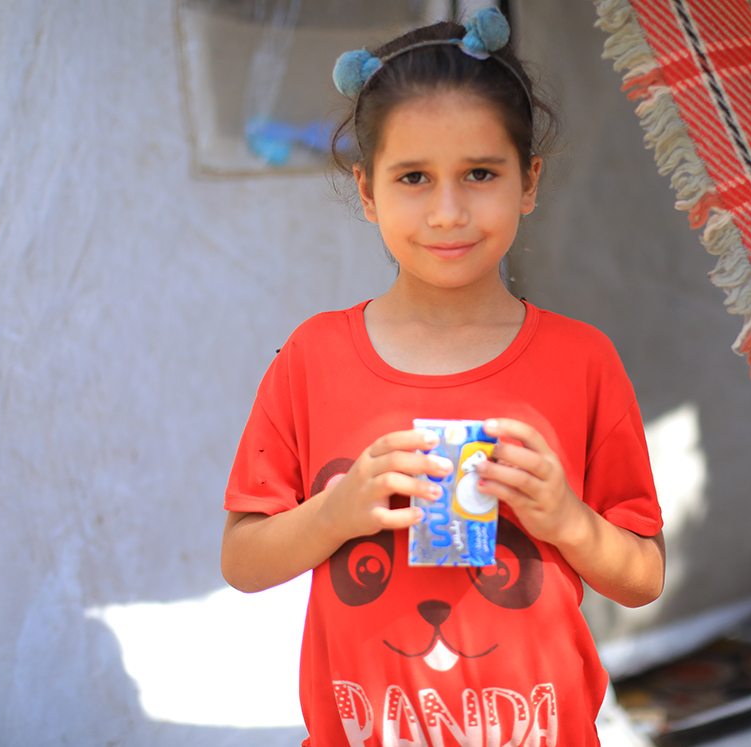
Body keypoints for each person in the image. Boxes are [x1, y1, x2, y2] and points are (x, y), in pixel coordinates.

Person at [221, 8, 665, 745]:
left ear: (529, 181)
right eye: (414, 177)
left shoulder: (583, 361)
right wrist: (335, 514)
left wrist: (566, 520)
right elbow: (242, 558)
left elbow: (642, 574)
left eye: (481, 174)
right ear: (367, 191)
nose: (448, 211)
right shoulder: (313, 356)